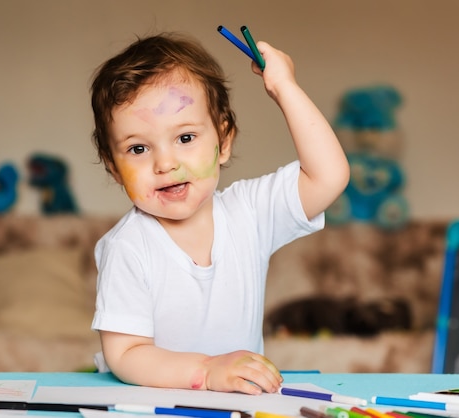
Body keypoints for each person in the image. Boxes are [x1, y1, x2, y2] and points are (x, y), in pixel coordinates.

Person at [89, 32, 349, 395]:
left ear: (223, 141)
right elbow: (126, 354)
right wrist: (207, 371)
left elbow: (328, 176)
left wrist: (285, 88)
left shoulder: (248, 213)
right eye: (138, 148)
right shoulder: (128, 247)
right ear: (113, 168)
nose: (165, 163)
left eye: (184, 138)